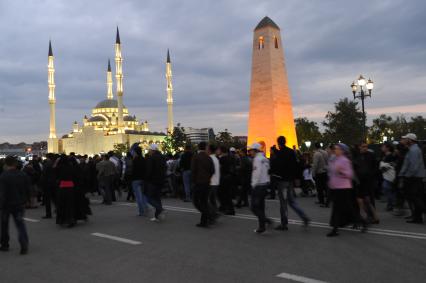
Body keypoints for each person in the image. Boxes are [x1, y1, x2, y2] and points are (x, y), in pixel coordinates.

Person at [271, 136, 310, 231]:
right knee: (291, 202)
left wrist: (274, 153)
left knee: (283, 203)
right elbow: (294, 165)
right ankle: (304, 217)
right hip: (290, 181)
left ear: (278, 143)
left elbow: (277, 165)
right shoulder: (290, 151)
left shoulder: (279, 153)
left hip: (282, 181)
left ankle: (284, 224)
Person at [327, 144, 365, 237]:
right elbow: (332, 173)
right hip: (336, 187)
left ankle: (335, 229)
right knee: (341, 209)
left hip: (343, 188)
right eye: (335, 149)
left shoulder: (345, 160)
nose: (335, 150)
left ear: (342, 150)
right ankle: (363, 222)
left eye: (337, 149)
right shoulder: (335, 159)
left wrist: (341, 172)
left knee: (344, 209)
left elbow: (350, 174)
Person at [0, 156, 30, 254]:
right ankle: (24, 244)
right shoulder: (23, 174)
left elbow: (2, 192)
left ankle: (5, 244)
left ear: (6, 164)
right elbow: (27, 189)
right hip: (19, 203)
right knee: (20, 224)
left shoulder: (4, 176)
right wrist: (26, 200)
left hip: (6, 205)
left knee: (4, 225)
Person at [399, 133, 426, 224]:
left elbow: (413, 167)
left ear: (410, 140)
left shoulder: (413, 150)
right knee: (417, 198)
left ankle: (418, 216)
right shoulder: (414, 149)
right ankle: (417, 218)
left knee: (415, 198)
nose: (405, 140)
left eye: (406, 139)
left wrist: (406, 176)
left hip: (413, 178)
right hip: (415, 177)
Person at [353, 143, 380, 224]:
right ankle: (368, 216)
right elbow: (355, 167)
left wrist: (372, 175)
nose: (365, 148)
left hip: (369, 181)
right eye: (363, 146)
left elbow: (375, 166)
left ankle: (371, 217)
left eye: (366, 147)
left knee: (369, 199)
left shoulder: (371, 155)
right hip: (360, 181)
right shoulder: (357, 156)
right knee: (363, 199)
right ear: (359, 147)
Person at [249, 143, 272, 234]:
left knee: (254, 207)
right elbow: (268, 171)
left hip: (258, 186)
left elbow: (257, 173)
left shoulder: (257, 160)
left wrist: (253, 184)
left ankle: (265, 221)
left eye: (251, 150)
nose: (250, 152)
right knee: (261, 207)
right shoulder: (265, 159)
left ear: (255, 150)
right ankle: (262, 226)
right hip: (264, 184)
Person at [191, 142, 215, 228]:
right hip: (207, 183)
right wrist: (208, 177)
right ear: (205, 148)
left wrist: (193, 181)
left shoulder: (196, 157)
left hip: (198, 183)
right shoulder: (209, 158)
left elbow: (193, 170)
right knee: (204, 201)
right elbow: (212, 171)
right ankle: (204, 221)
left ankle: (208, 215)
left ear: (198, 147)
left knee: (196, 201)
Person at [145, 144, 166, 222]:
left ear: (152, 150)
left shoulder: (152, 158)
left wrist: (147, 179)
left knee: (149, 198)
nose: (149, 151)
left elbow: (149, 170)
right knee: (157, 198)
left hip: (152, 180)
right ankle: (157, 216)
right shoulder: (162, 157)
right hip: (161, 180)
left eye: (149, 150)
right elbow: (165, 168)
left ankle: (160, 209)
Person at [218, 146, 236, 215]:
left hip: (224, 178)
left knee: (223, 194)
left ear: (222, 151)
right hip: (230, 177)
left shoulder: (222, 158)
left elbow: (220, 168)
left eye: (219, 150)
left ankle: (229, 209)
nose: (218, 151)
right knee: (226, 194)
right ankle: (224, 207)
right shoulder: (230, 157)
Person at [131, 146, 148, 216]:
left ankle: (141, 211)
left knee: (138, 197)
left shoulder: (134, 160)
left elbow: (133, 171)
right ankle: (146, 208)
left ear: (136, 152)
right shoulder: (144, 159)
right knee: (144, 195)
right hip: (143, 179)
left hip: (136, 179)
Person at [379, 143, 396, 211]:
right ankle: (390, 204)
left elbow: (392, 165)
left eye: (383, 147)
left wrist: (385, 166)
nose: (382, 148)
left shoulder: (391, 155)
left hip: (390, 175)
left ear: (387, 148)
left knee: (387, 188)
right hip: (386, 175)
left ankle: (391, 204)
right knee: (388, 190)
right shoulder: (383, 155)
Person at [312, 142, 329, 206]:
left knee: (319, 188)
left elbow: (315, 165)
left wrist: (313, 173)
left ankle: (321, 201)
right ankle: (327, 200)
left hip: (319, 173)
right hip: (325, 171)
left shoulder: (316, 154)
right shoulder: (325, 152)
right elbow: (327, 162)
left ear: (315, 147)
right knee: (325, 187)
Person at [40, 153, 56, 219]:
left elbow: (44, 174)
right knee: (55, 198)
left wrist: (41, 183)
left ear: (48, 157)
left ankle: (48, 214)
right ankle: (59, 210)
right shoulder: (55, 163)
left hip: (47, 184)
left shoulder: (47, 164)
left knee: (47, 200)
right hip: (54, 183)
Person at [208, 143, 220, 215]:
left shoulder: (210, 158)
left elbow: (211, 171)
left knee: (209, 200)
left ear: (209, 150)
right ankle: (215, 213)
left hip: (211, 182)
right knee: (212, 200)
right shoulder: (216, 158)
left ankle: (213, 214)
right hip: (216, 182)